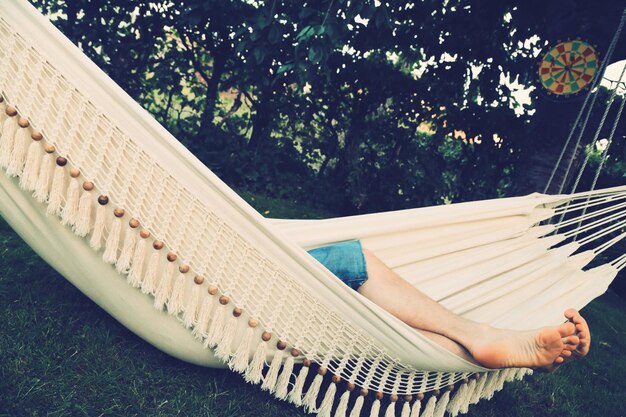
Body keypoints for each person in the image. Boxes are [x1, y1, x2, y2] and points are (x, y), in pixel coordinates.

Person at [307, 240, 590, 371]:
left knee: (360, 313)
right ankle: (480, 336)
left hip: (276, 291)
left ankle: (492, 343)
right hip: (267, 278)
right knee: (349, 260)